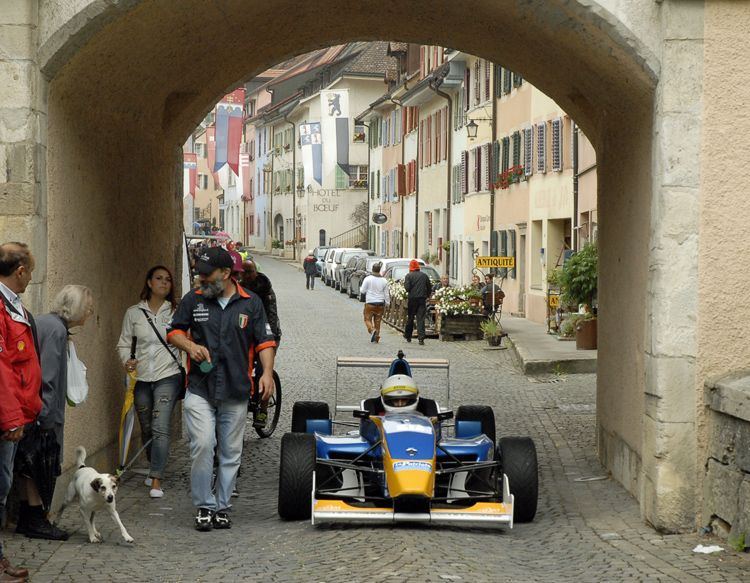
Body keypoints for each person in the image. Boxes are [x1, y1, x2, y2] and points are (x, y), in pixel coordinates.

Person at [167, 247, 276, 531]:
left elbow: (265, 342)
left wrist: (266, 373)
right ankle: (204, 505)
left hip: (237, 390)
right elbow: (174, 331)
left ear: (226, 274)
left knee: (230, 452)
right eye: (198, 272)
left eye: (206, 273)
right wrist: (190, 346)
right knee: (203, 445)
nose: (200, 278)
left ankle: (223, 507)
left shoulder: (251, 303)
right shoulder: (194, 300)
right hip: (200, 388)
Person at [14, 284, 93, 541]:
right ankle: (36, 521)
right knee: (39, 466)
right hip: (40, 412)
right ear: (77, 308)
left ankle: (27, 519)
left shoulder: (49, 323)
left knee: (26, 467)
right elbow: (47, 378)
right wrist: (46, 418)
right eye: (88, 308)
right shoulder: (57, 330)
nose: (90, 313)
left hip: (29, 408)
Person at [117, 266, 182, 499]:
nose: (164, 283)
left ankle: (156, 478)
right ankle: (155, 463)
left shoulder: (177, 311)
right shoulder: (134, 312)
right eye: (159, 279)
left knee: (160, 425)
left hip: (169, 375)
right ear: (149, 282)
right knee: (146, 427)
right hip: (142, 378)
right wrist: (127, 360)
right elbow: (123, 343)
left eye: (168, 280)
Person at [0, 242, 40, 583]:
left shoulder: (11, 304)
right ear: (20, 271)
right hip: (4, 418)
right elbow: (1, 367)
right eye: (31, 271)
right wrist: (12, 417)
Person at [239, 258, 281, 429]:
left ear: (255, 272)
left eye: (250, 272)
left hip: (268, 335)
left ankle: (263, 410)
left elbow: (271, 315)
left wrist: (266, 337)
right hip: (247, 335)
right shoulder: (238, 288)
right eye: (244, 272)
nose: (247, 275)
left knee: (263, 371)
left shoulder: (266, 290)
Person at [359, 262, 390, 343]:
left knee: (367, 319)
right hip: (380, 303)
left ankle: (372, 330)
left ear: (372, 270)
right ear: (379, 270)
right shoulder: (384, 281)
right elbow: (386, 294)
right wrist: (387, 304)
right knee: (378, 321)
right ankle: (376, 337)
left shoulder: (368, 279)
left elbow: (362, 291)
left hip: (370, 303)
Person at [403, 260, 431, 346]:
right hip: (421, 299)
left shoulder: (409, 276)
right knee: (421, 318)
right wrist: (427, 295)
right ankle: (421, 338)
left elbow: (407, 288)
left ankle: (408, 335)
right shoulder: (424, 276)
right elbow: (429, 287)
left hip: (412, 299)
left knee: (411, 317)